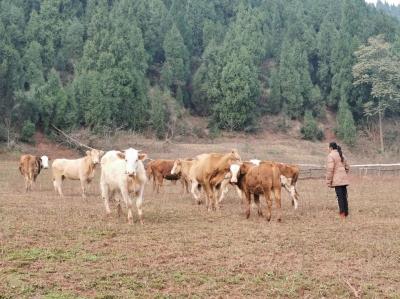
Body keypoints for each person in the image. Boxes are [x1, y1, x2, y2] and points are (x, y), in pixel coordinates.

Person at [326, 142, 350, 219]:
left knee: (339, 197)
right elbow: (347, 167)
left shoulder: (331, 155)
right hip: (344, 179)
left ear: (331, 148)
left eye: (328, 148)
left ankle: (342, 214)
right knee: (344, 196)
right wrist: (343, 173)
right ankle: (346, 213)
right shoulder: (342, 154)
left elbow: (330, 169)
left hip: (337, 180)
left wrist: (329, 181)